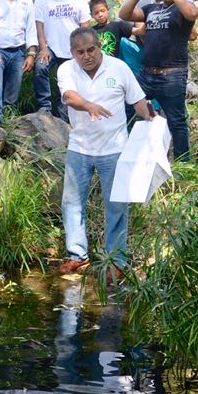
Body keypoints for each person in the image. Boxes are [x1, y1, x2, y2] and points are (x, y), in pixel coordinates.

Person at [58, 27, 155, 277]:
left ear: (99, 45)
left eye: (91, 49)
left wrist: (149, 114)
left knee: (116, 206)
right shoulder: (66, 69)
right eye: (80, 52)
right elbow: (69, 97)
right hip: (79, 147)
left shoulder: (119, 68)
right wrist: (88, 105)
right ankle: (77, 255)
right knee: (72, 203)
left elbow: (137, 101)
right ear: (73, 53)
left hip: (114, 149)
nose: (87, 56)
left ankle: (116, 260)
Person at [118, 0, 198, 160]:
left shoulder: (182, 8)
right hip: (146, 74)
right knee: (127, 107)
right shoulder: (152, 8)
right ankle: (125, 152)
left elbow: (193, 14)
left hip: (172, 75)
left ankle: (183, 164)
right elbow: (124, 14)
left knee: (176, 121)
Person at [33, 0, 91, 121]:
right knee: (40, 67)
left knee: (70, 80)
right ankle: (44, 107)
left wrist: (83, 51)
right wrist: (43, 48)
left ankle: (65, 112)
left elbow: (85, 28)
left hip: (73, 49)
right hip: (50, 47)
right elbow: (40, 27)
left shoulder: (78, 0)